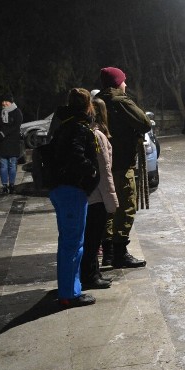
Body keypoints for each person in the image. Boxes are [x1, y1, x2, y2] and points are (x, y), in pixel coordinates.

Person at [49, 88, 101, 307]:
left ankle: (67, 289)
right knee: (73, 243)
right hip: (72, 190)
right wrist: (92, 172)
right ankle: (70, 294)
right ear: (88, 106)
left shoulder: (63, 124)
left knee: (67, 242)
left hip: (61, 189)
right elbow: (76, 155)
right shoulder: (77, 128)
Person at [96, 67, 151, 269]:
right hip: (122, 163)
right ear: (117, 82)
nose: (126, 84)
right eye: (123, 81)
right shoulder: (121, 101)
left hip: (103, 165)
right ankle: (120, 253)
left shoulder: (97, 101)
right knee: (126, 206)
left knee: (108, 209)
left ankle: (108, 253)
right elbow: (145, 123)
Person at [81, 97, 118, 290]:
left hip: (87, 195)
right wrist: (111, 198)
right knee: (93, 238)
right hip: (97, 196)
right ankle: (90, 275)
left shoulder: (85, 133)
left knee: (90, 238)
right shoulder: (98, 136)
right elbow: (105, 170)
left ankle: (92, 273)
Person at [0, 93, 23, 195]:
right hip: (2, 143)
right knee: (3, 166)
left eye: (6, 101)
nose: (4, 103)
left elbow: (16, 126)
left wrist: (4, 133)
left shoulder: (17, 112)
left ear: (11, 102)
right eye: (3, 101)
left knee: (12, 165)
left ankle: (12, 185)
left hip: (13, 142)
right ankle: (5, 186)